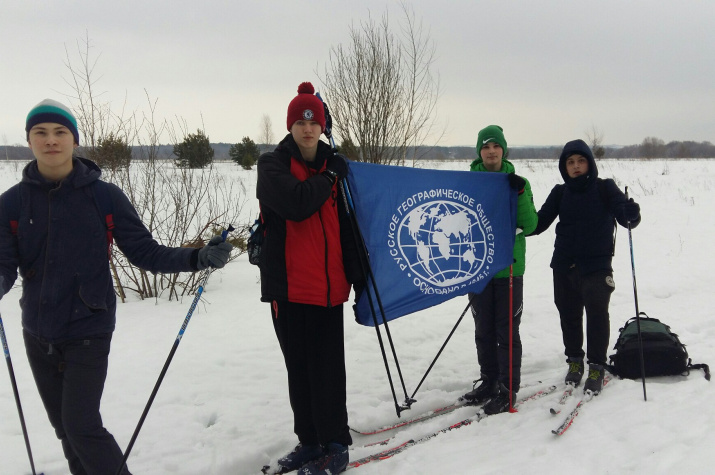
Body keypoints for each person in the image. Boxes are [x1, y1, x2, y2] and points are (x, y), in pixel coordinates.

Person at [0, 99, 232, 475]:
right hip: (37, 331)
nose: (51, 140)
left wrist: (197, 257)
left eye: (60, 132)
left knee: (81, 426)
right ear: (29, 140)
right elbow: (4, 265)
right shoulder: (11, 204)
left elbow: (145, 252)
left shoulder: (103, 196)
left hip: (88, 329)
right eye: (40, 133)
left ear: (74, 140)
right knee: (65, 428)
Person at [256, 82, 361, 475]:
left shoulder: (337, 167)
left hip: (329, 288)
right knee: (298, 370)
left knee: (328, 371)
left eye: (313, 121)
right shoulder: (272, 165)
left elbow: (349, 226)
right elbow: (296, 203)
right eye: (300, 122)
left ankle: (336, 446)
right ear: (290, 127)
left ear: (321, 126)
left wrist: (360, 276)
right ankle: (310, 442)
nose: (307, 128)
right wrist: (331, 174)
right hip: (288, 288)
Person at [529, 139, 641, 393]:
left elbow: (625, 217)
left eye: (581, 161)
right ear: (563, 166)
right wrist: (518, 208)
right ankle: (575, 362)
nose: (576, 166)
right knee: (568, 314)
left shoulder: (605, 188)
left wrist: (631, 213)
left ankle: (596, 366)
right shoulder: (560, 192)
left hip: (597, 265)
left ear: (589, 163)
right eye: (570, 162)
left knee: (597, 313)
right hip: (564, 264)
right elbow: (537, 224)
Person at [461, 125, 538, 414]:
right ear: (479, 151)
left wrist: (517, 193)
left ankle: (507, 389)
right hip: (477, 269)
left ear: (503, 149)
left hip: (508, 271)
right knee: (483, 330)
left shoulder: (519, 182)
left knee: (506, 332)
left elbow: (530, 225)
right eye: (485, 146)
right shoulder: (469, 182)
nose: (491, 151)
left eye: (496, 146)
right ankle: (489, 381)